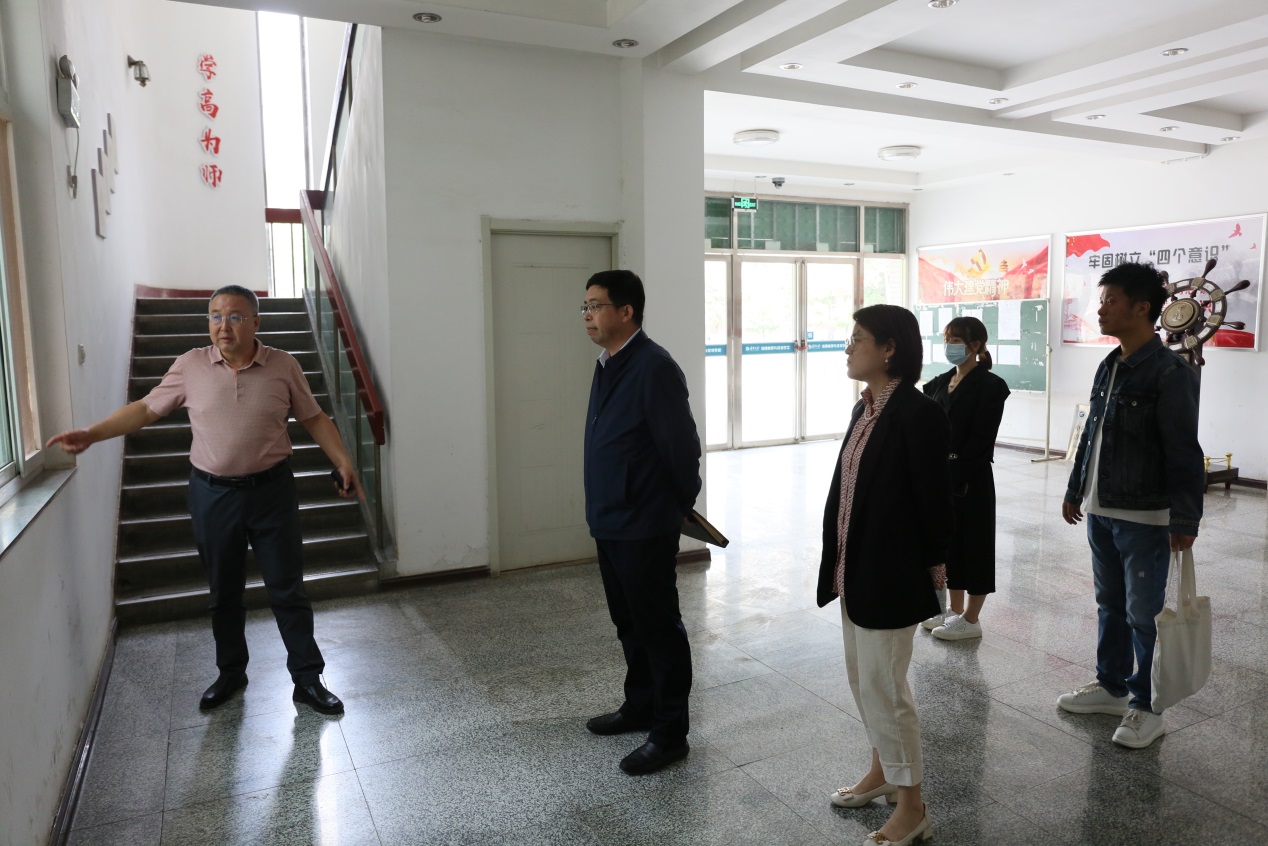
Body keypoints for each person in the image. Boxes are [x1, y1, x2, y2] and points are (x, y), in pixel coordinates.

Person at [46, 285, 361, 715]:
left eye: (234, 317)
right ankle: (231, 672)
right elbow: (145, 409)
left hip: (272, 492)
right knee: (224, 591)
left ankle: (307, 679)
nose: (223, 326)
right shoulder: (190, 365)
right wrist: (93, 433)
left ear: (255, 323)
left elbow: (314, 417)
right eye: (215, 316)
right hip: (213, 494)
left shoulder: (283, 365)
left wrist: (343, 461)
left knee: (287, 589)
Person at [816, 304, 951, 846]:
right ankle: (882, 773)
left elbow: (934, 505)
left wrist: (933, 579)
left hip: (892, 575)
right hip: (855, 569)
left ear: (889, 348)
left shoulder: (919, 415)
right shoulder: (865, 408)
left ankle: (912, 807)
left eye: (858, 338)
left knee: (886, 689)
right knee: (864, 682)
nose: (849, 348)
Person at [1058, 261, 1203, 749]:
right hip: (1102, 509)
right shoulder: (1110, 364)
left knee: (1145, 615)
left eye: (1110, 301)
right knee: (1110, 605)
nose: (1100, 310)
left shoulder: (1170, 372)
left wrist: (1185, 518)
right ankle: (1112, 686)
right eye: (1101, 301)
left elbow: (1183, 449)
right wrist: (1076, 488)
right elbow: (1093, 433)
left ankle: (1147, 706)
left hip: (1145, 515)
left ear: (1142, 308)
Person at [580, 269, 702, 776]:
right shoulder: (608, 363)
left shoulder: (654, 367)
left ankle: (670, 733)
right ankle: (641, 705)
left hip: (644, 523)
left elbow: (682, 450)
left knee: (658, 628)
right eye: (585, 307)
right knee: (628, 622)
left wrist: (671, 509)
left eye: (596, 306)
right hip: (611, 519)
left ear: (626, 311)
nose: (587, 316)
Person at [920, 316, 1010, 640]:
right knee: (950, 546)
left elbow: (980, 442)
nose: (949, 346)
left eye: (956, 340)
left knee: (975, 545)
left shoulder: (990, 386)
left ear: (975, 345)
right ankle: (953, 611)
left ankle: (971, 619)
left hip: (971, 478)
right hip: (941, 478)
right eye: (947, 339)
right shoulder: (941, 382)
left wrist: (952, 470)